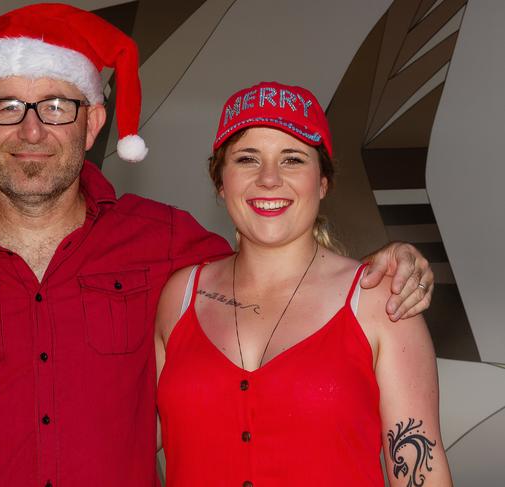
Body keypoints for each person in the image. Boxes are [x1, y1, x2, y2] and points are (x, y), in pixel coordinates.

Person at [0, 5, 433, 487]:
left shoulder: (169, 244)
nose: (32, 131)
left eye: (58, 106)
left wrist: (397, 259)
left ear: (94, 121)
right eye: (7, 107)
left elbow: (276, 254)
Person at [156, 82, 452, 486]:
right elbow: (126, 446)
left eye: (292, 159)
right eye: (247, 159)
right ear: (220, 182)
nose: (269, 179)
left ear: (323, 182)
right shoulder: (179, 297)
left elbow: (421, 474)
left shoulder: (380, 302)